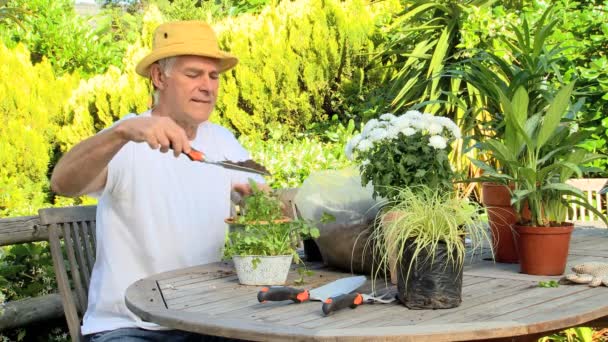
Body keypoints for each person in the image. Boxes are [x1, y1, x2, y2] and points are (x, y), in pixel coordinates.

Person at [51, 21, 264, 341]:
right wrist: (121, 133)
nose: (208, 86)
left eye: (214, 76)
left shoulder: (222, 141)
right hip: (130, 326)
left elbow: (262, 194)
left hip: (207, 321)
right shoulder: (126, 139)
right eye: (194, 74)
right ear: (159, 76)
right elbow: (62, 183)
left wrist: (259, 202)